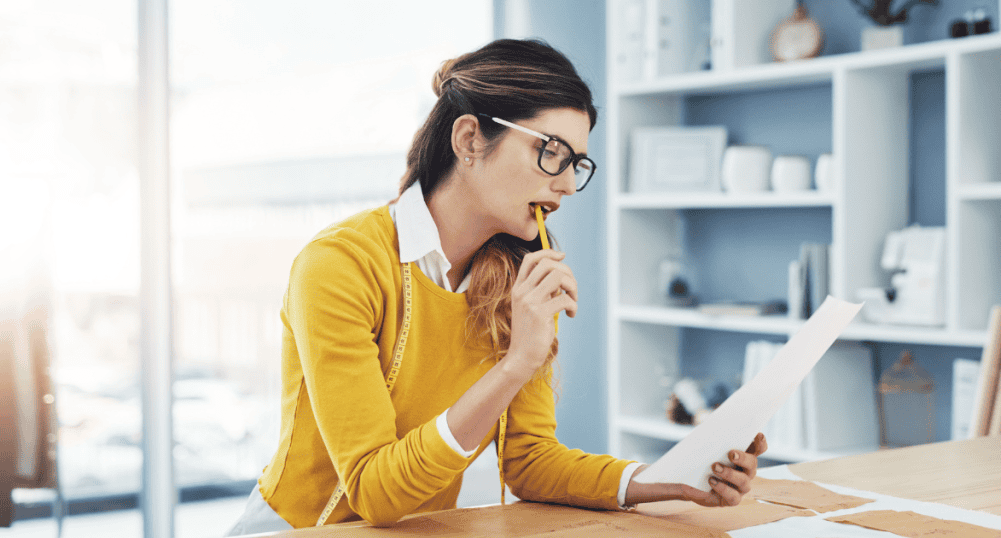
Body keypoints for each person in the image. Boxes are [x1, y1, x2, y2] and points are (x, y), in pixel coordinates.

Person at [226, 38, 768, 534]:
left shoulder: (523, 267)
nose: (565, 184)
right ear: (469, 138)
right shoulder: (339, 265)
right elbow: (374, 491)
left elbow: (529, 459)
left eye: (575, 163)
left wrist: (672, 479)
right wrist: (516, 363)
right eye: (551, 151)